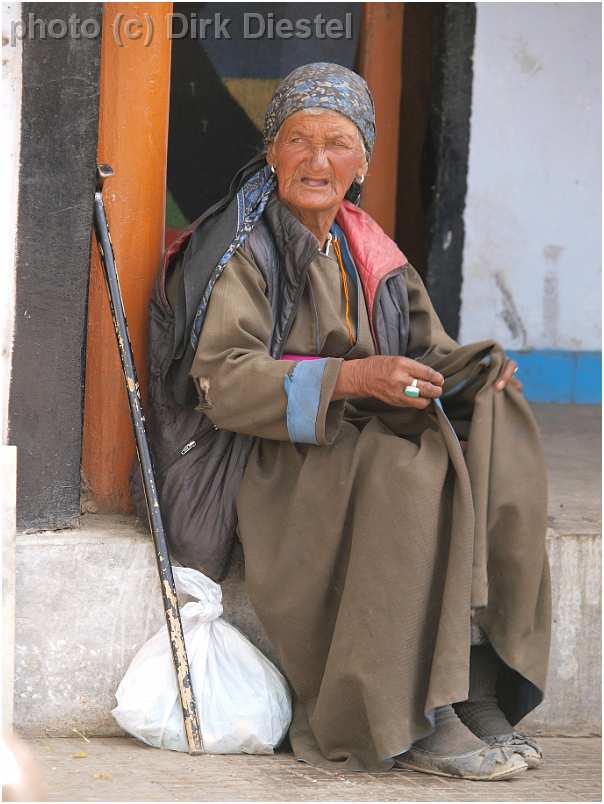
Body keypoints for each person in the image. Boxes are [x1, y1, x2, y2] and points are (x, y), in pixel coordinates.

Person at [147, 62, 551, 779]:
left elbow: (430, 349)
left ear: (362, 162)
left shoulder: (368, 247)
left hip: (347, 433)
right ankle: (405, 715)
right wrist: (354, 378)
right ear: (271, 153)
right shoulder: (240, 247)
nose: (316, 160)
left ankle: (478, 677)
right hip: (261, 451)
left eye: (337, 143)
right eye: (299, 141)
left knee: (496, 426)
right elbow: (225, 382)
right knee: (407, 469)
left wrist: (477, 373)